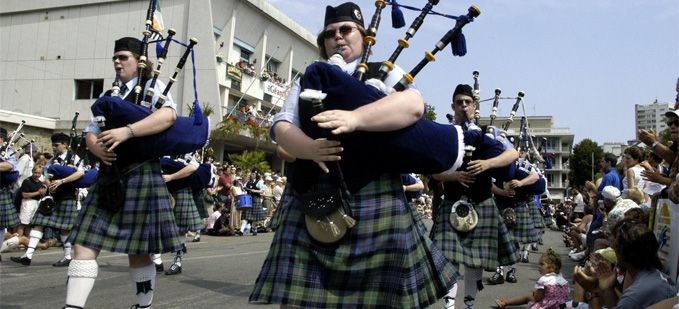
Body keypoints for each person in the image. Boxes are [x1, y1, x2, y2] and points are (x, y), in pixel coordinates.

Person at [249, 3, 459, 308]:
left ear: (363, 36)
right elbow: (282, 126)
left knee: (378, 299)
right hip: (314, 194)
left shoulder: (383, 72)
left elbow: (413, 106)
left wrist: (355, 119)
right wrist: (308, 148)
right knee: (297, 301)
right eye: (330, 33)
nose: (338, 37)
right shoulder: (308, 77)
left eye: (346, 30)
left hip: (376, 193)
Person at [62, 37, 183, 309]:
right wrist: (96, 149)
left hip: (141, 174)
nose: (117, 62)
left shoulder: (155, 87)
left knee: (139, 252)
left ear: (140, 61)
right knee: (83, 245)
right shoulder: (109, 96)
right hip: (108, 177)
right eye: (115, 57)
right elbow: (92, 131)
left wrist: (127, 131)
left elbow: (169, 116)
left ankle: (143, 306)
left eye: (123, 57)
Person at [429, 84, 520, 309]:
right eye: (459, 102)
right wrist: (454, 176)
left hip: (481, 203)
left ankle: (468, 305)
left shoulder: (490, 133)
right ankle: (449, 307)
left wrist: (486, 163)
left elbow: (513, 153)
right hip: (452, 203)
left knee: (474, 262)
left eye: (467, 102)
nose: (463, 106)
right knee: (448, 260)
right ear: (452, 106)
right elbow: (433, 171)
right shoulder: (445, 134)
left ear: (474, 105)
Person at [11, 132, 84, 267]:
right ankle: (27, 256)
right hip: (52, 198)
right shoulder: (52, 160)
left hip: (67, 197)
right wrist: (48, 183)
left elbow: (80, 173)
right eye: (53, 145)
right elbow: (45, 176)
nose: (54, 147)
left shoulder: (74, 158)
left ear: (65, 145)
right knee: (38, 223)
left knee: (65, 229)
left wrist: (62, 181)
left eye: (56, 145)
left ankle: (67, 257)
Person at [495, 248, 569, 309]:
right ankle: (505, 303)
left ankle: (505, 303)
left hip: (547, 306)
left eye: (542, 264)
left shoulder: (544, 280)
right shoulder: (563, 281)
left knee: (527, 298)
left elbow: (537, 298)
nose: (539, 266)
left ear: (552, 268)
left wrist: (535, 294)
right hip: (560, 307)